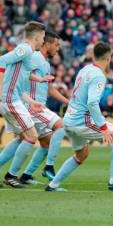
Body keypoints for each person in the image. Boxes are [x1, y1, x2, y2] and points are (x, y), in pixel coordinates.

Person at [45, 42, 113, 192]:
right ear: (108, 58)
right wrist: (103, 128)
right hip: (82, 120)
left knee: (82, 154)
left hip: (69, 119)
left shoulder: (85, 69)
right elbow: (92, 103)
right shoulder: (98, 75)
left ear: (94, 55)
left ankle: (53, 185)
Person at [0, 21, 47, 188]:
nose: (43, 40)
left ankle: (10, 175)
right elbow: (1, 61)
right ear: (36, 37)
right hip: (9, 101)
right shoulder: (25, 49)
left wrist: (32, 101)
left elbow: (19, 80)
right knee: (32, 136)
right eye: (42, 37)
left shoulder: (27, 53)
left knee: (23, 138)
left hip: (15, 99)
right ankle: (11, 176)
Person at [18, 31, 69, 184]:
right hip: (31, 107)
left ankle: (25, 176)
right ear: (47, 44)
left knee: (46, 143)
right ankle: (49, 167)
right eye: (56, 45)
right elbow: (21, 74)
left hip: (39, 107)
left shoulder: (45, 63)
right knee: (60, 126)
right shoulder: (35, 58)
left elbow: (50, 89)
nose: (58, 48)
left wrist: (68, 101)